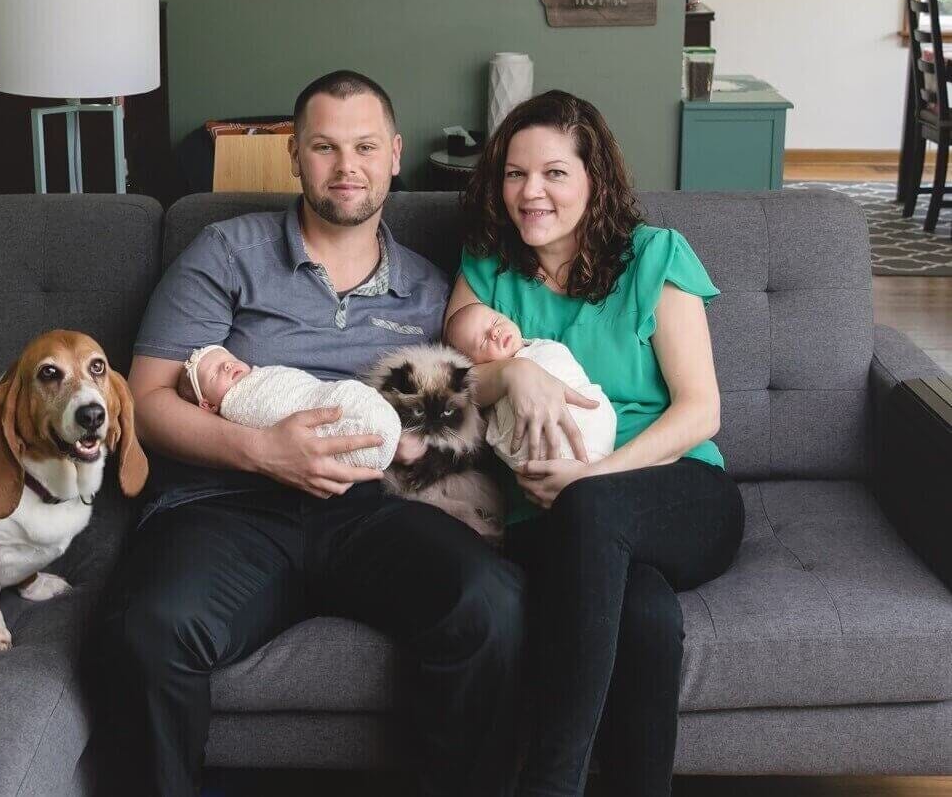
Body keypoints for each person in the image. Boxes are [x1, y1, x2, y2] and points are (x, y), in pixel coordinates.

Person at [88, 70, 525, 797]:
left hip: (374, 512)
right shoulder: (225, 252)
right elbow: (145, 400)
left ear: (392, 154)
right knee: (147, 631)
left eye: (362, 147)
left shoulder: (429, 290)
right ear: (294, 155)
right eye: (323, 147)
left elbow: (468, 398)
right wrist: (260, 450)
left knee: (493, 605)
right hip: (225, 507)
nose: (345, 167)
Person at [448, 89, 746, 797]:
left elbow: (700, 411)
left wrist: (596, 476)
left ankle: (550, 783)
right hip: (539, 516)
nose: (531, 192)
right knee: (643, 616)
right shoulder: (487, 266)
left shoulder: (654, 256)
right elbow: (452, 386)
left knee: (591, 510)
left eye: (554, 173)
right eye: (515, 174)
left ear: (593, 180)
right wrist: (512, 372)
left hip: (677, 491)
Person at [175, 343, 404, 471]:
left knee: (344, 398)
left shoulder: (263, 375)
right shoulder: (238, 403)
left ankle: (374, 422)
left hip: (326, 395)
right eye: (215, 372)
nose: (227, 365)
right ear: (208, 405)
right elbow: (271, 411)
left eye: (229, 359)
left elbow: (298, 386)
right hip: (303, 431)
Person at [446, 302, 617, 472]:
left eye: (495, 321)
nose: (494, 332)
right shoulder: (489, 390)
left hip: (600, 430)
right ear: (475, 364)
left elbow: (573, 374)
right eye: (483, 341)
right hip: (554, 458)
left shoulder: (545, 347)